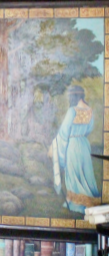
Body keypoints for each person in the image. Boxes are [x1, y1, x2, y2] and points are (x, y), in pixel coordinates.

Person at [49, 85, 101, 213]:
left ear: (73, 96)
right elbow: (89, 128)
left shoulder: (72, 111)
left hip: (73, 144)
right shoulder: (89, 110)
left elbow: (64, 131)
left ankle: (76, 203)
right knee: (85, 173)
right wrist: (80, 135)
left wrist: (55, 144)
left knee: (74, 173)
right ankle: (88, 201)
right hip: (84, 144)